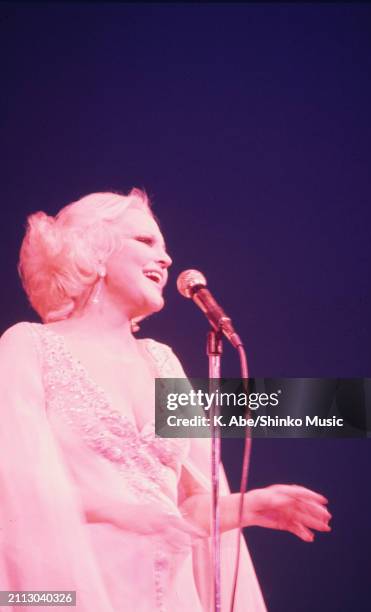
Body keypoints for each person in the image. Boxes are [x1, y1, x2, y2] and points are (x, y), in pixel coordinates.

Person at [0, 189, 331, 611]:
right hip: (79, 590)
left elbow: (183, 509)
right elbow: (13, 492)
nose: (167, 258)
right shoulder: (29, 346)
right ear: (92, 252)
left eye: (164, 246)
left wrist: (249, 506)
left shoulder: (163, 362)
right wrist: (120, 513)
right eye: (145, 241)